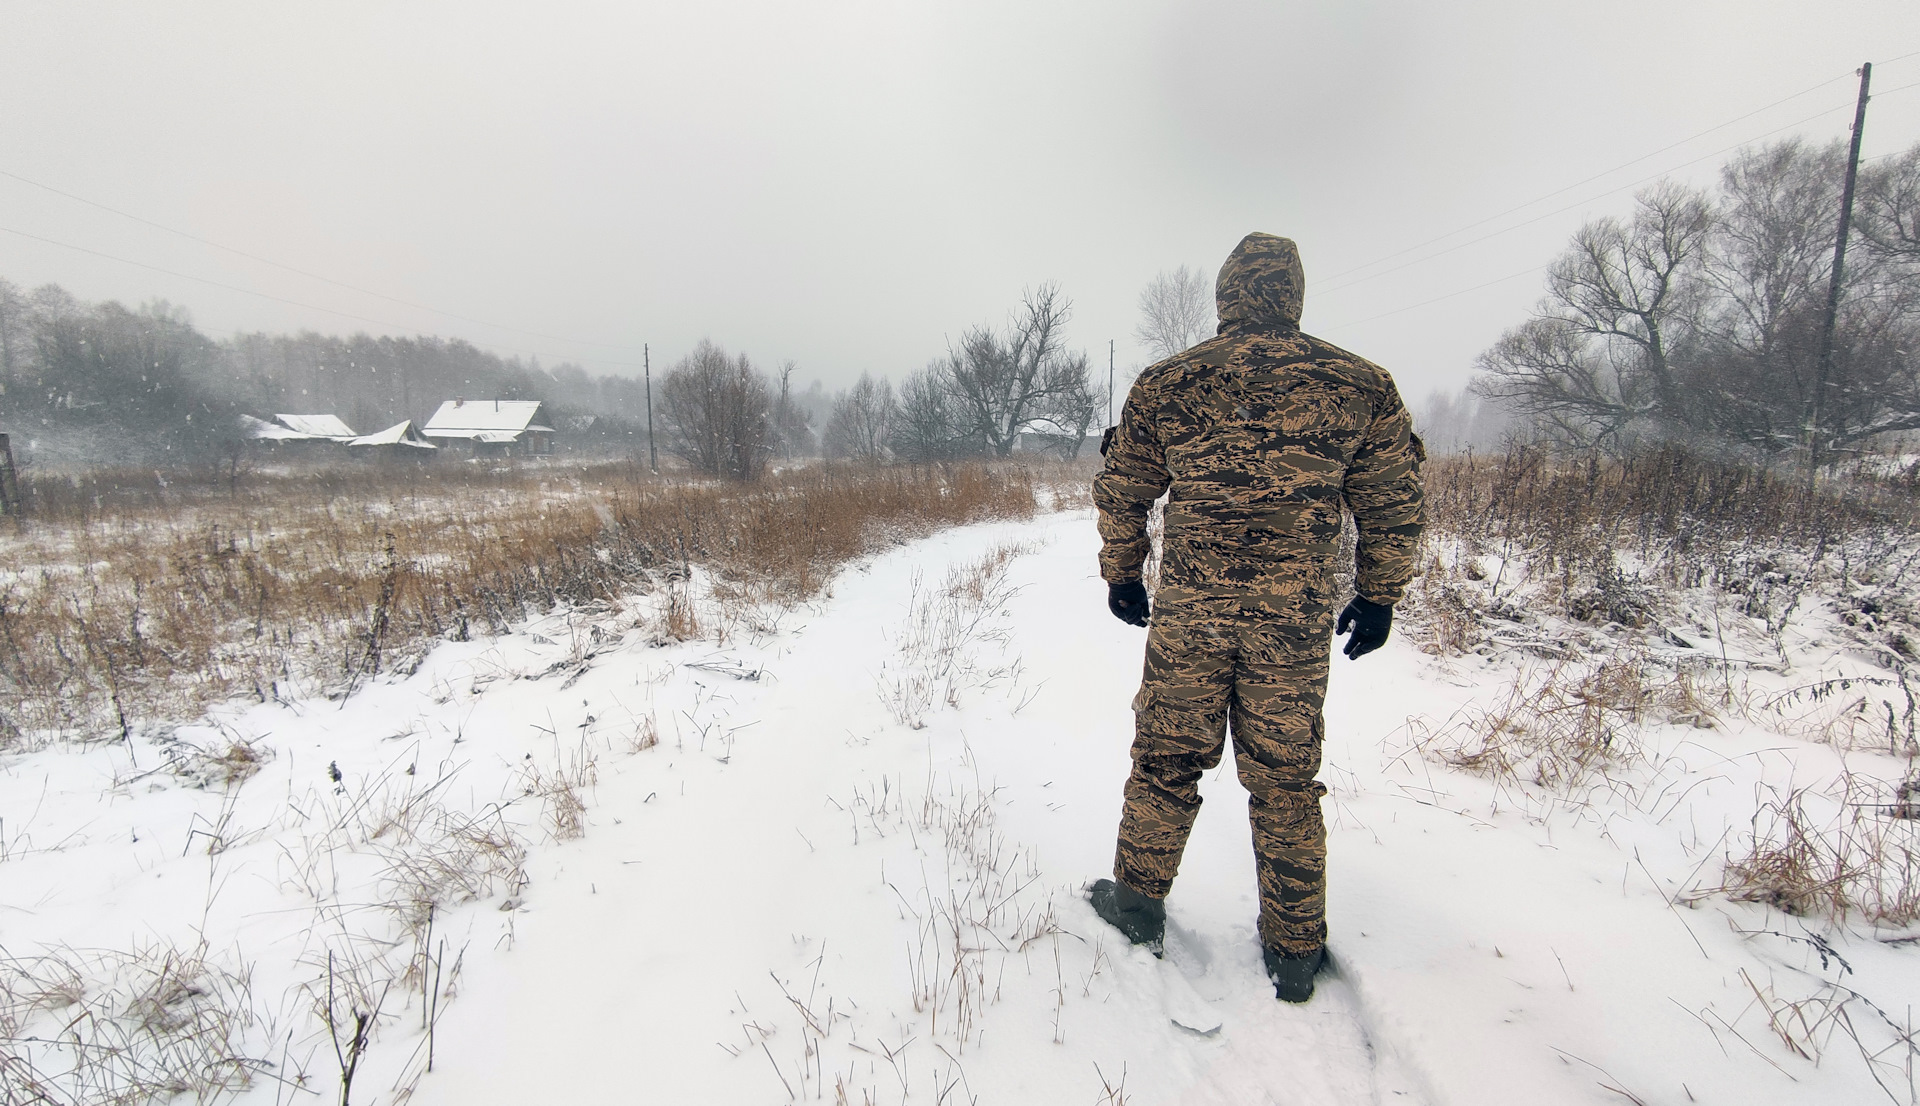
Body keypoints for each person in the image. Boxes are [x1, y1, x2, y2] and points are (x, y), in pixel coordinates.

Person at [1088, 232, 1426, 1003]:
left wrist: (1122, 574)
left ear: (1227, 293)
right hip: (1293, 626)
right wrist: (1378, 596)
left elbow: (1124, 489)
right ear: (1295, 294)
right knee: (1285, 781)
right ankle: (1296, 950)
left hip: (1191, 622)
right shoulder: (1359, 386)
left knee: (1167, 760)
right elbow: (1393, 505)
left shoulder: (1170, 382)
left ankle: (1138, 907)